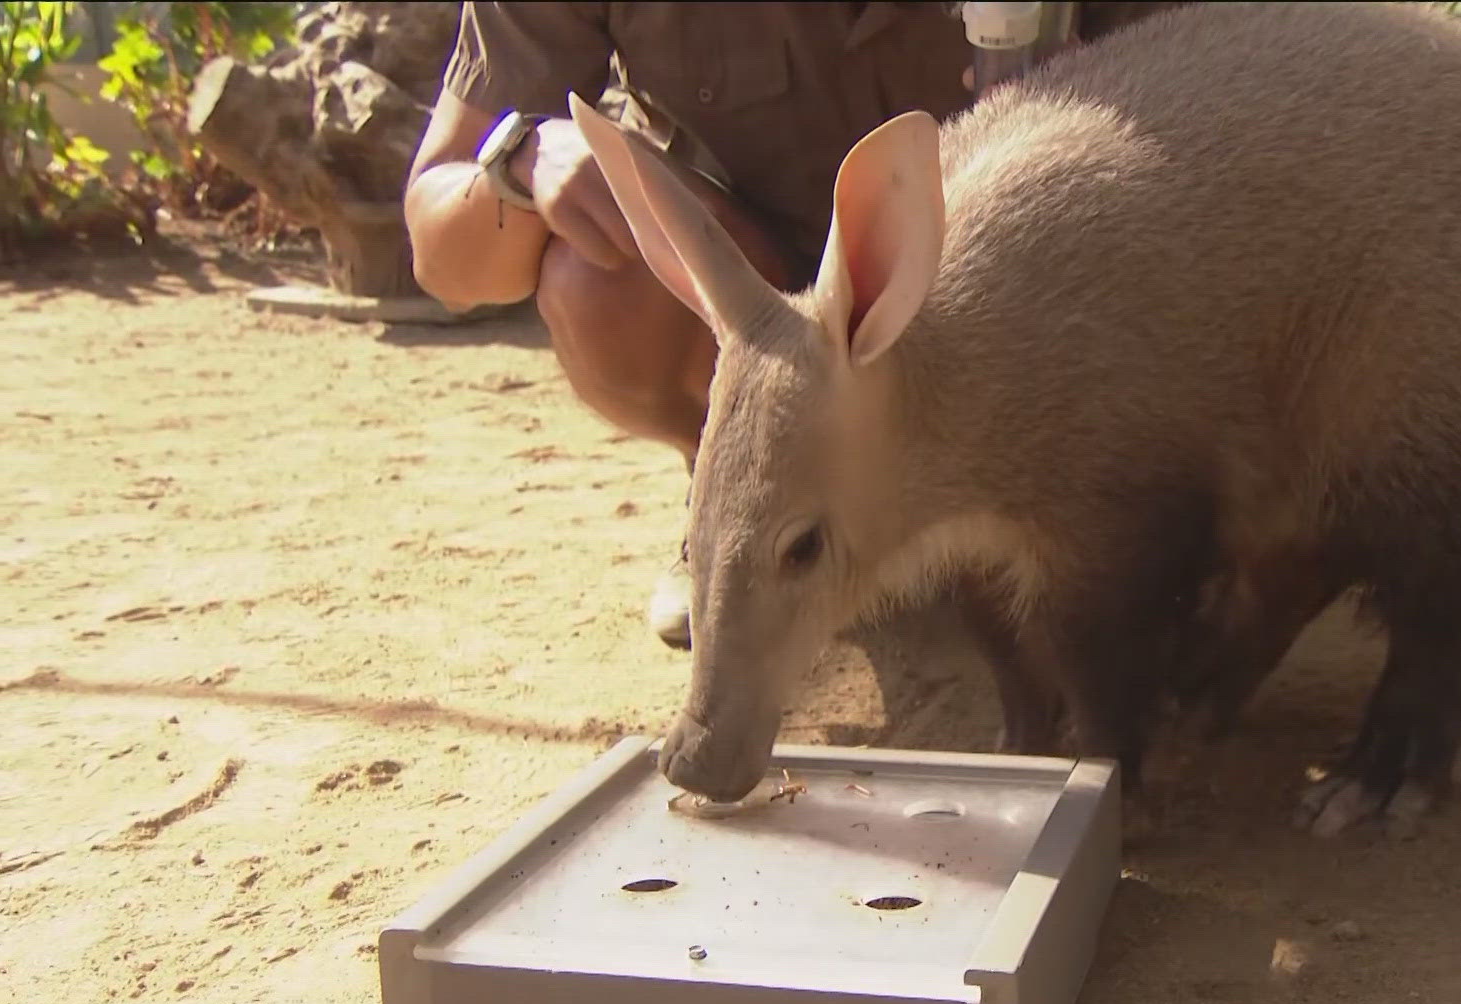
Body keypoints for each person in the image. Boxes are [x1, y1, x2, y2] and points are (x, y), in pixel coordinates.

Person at [405, 2, 1174, 649]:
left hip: (1013, 299)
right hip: (752, 297)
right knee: (595, 282)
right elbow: (444, 257)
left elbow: (1231, 83)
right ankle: (742, 511)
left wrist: (1126, 87)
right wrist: (522, 159)